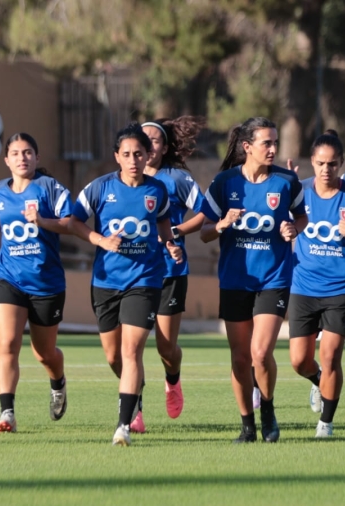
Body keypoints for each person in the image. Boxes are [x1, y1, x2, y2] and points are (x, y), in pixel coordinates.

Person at [69, 123, 182, 446]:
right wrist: (100, 240)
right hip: (106, 281)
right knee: (113, 356)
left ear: (148, 155)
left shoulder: (157, 190)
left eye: (139, 154)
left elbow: (163, 221)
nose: (134, 160)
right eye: (127, 154)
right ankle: (135, 391)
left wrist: (170, 244)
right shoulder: (99, 188)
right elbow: (73, 222)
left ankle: (124, 426)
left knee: (131, 351)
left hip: (145, 279)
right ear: (117, 156)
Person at [200, 117, 307, 443]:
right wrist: (222, 224)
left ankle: (268, 408)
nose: (273, 149)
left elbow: (301, 217)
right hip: (235, 281)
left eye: (275, 142)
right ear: (247, 146)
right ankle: (247, 426)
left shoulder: (287, 181)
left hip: (274, 278)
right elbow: (204, 232)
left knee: (260, 353)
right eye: (266, 143)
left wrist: (293, 229)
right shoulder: (224, 182)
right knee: (240, 357)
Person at [0, 133, 72, 433]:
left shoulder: (50, 188)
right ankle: (7, 413)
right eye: (15, 153)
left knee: (44, 353)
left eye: (27, 152)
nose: (22, 158)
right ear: (6, 160)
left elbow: (71, 223)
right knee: (7, 344)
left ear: (37, 157)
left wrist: (42, 222)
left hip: (46, 282)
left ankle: (58, 382)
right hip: (8, 277)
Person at [288, 130, 345, 437]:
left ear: (341, 163)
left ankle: (326, 422)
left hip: (342, 288)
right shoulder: (299, 191)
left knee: (330, 355)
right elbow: (280, 222)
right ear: (312, 161)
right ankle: (318, 380)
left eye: (333, 164)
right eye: (321, 163)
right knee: (299, 361)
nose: (326, 169)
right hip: (303, 287)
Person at [138, 116, 206, 430]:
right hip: (134, 274)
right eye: (143, 140)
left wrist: (175, 232)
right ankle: (134, 412)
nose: (148, 146)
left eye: (155, 141)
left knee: (165, 347)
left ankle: (173, 379)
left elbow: (207, 212)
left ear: (164, 148)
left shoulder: (177, 179)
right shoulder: (123, 181)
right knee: (131, 348)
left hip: (170, 271)